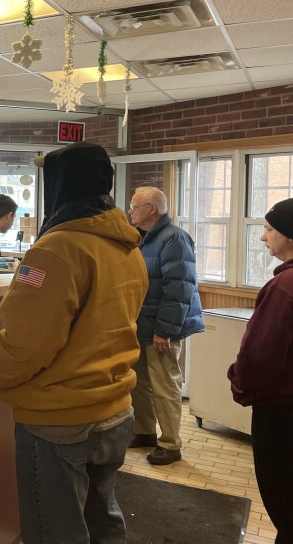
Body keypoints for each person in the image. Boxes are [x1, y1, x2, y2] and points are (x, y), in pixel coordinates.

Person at [0, 141, 148, 544]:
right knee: (103, 524)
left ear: (61, 184)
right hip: (115, 411)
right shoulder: (127, 247)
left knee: (54, 533)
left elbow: (27, 341)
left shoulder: (56, 249)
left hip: (60, 422)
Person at [228, 198, 293, 542]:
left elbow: (260, 355)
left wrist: (239, 382)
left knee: (285, 502)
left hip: (281, 411)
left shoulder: (284, 287)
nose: (263, 237)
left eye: (269, 229)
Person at [127, 186, 204, 465]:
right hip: (142, 324)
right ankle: (144, 431)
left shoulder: (174, 238)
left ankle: (170, 444)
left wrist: (165, 330)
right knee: (140, 384)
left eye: (134, 206)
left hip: (162, 328)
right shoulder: (144, 238)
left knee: (164, 384)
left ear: (152, 209)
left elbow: (179, 288)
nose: (130, 211)